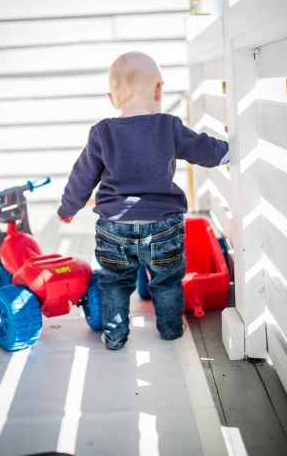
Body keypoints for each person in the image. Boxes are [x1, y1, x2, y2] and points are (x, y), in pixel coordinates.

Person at [58, 51, 229, 351]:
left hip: (114, 227)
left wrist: (68, 206)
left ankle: (114, 337)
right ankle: (170, 329)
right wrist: (227, 151)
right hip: (162, 224)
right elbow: (201, 148)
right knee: (166, 280)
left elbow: (82, 175)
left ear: (113, 98)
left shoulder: (102, 132)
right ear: (158, 89)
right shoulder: (168, 126)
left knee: (114, 282)